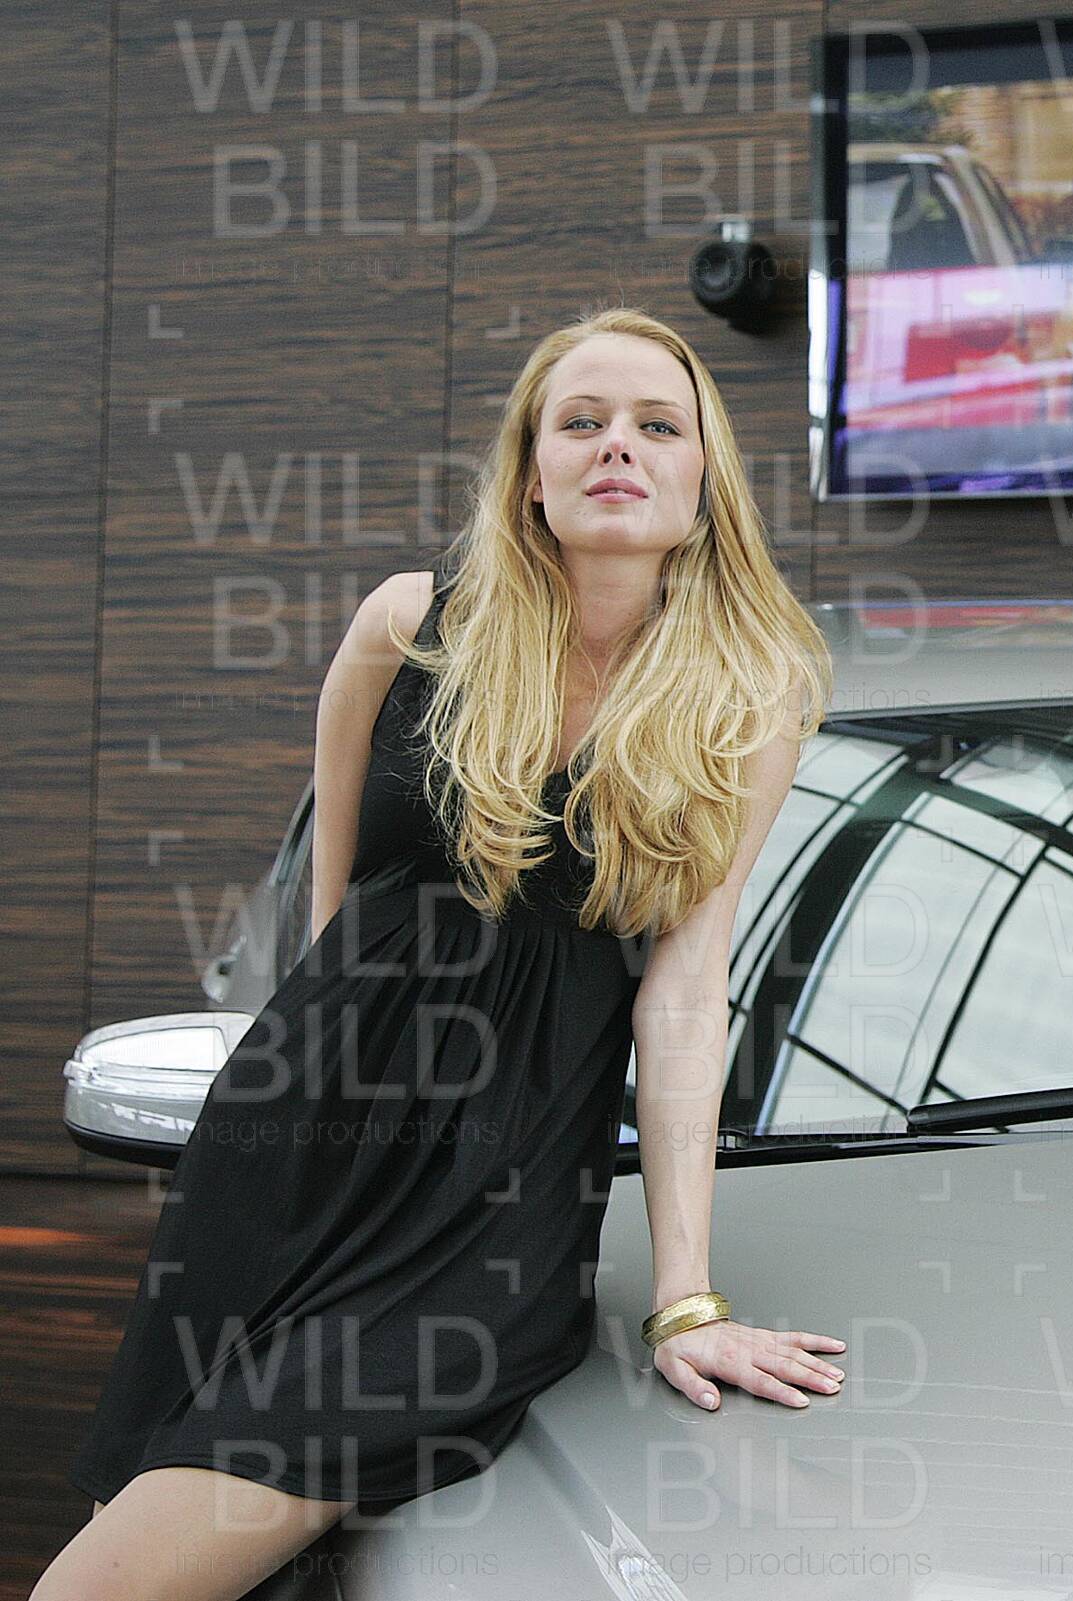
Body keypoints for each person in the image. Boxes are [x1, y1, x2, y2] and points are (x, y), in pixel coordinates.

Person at [40, 308, 846, 1601]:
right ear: (530, 475)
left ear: (705, 483)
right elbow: (330, 921)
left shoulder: (749, 696)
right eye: (580, 421)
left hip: (485, 1212)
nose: (618, 444)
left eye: (658, 424)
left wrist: (685, 1297)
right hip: (293, 1162)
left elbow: (687, 991)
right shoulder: (406, 626)